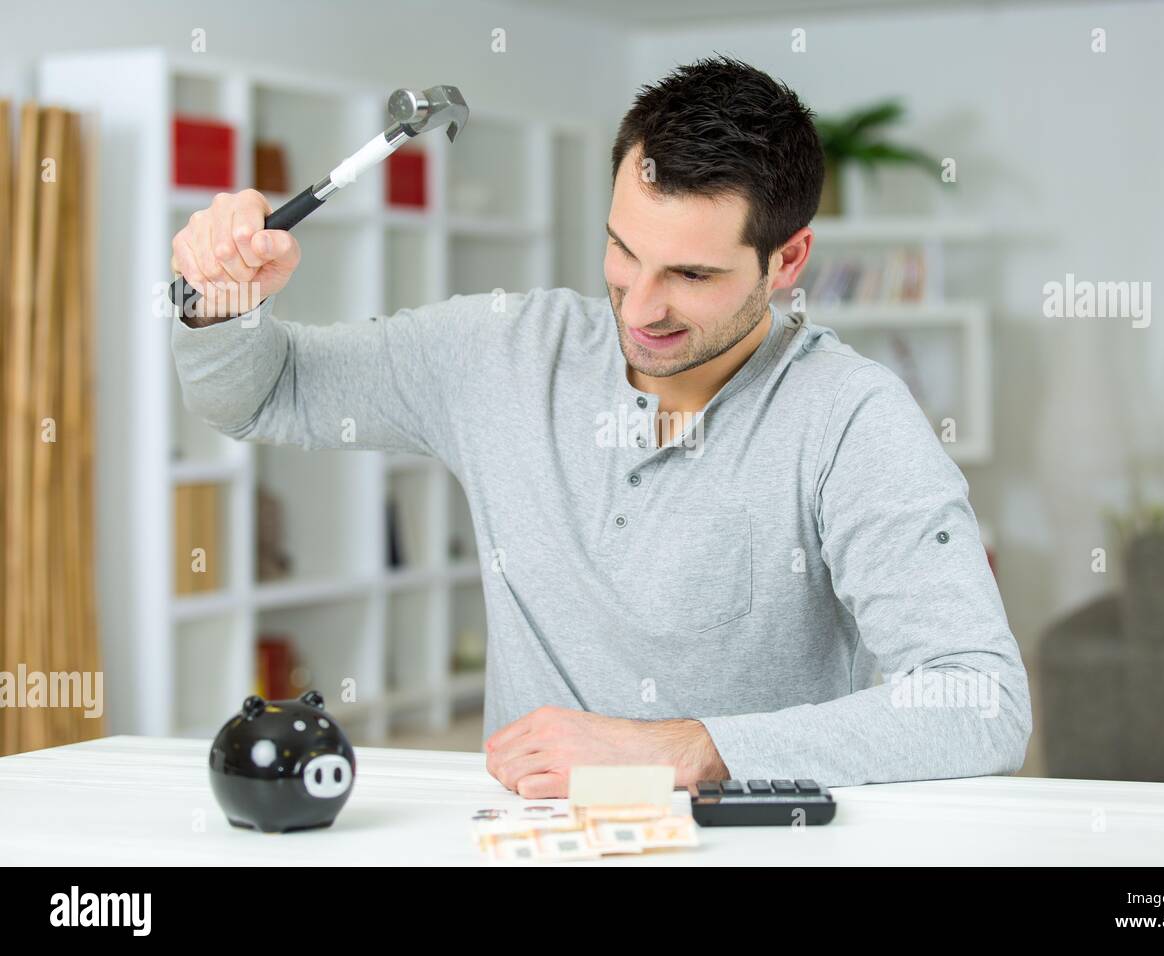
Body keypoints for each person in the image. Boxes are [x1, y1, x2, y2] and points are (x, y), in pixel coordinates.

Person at [170, 55, 1031, 798]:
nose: (643, 307)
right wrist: (225, 303)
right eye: (624, 251)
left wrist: (688, 751)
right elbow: (263, 392)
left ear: (788, 260)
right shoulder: (501, 352)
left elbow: (979, 700)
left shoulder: (852, 420)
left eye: (692, 273)